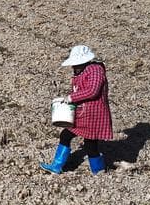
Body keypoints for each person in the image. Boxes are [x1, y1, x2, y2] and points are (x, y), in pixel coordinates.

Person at [40, 45, 112, 175]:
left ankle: (99, 172)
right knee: (67, 135)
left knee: (90, 144)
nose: (73, 67)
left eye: (75, 64)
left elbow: (92, 91)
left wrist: (72, 97)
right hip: (83, 113)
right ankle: (56, 166)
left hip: (93, 114)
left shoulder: (95, 70)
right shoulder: (83, 71)